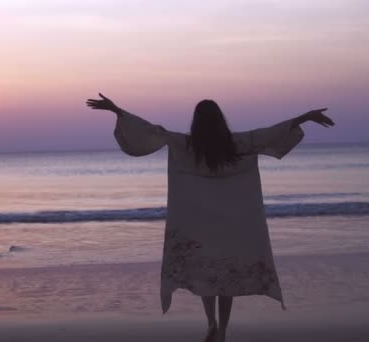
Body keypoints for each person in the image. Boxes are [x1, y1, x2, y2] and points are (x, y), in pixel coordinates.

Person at [86, 94, 334, 342]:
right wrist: (305, 117)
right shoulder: (237, 144)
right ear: (219, 120)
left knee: (206, 273)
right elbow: (268, 133)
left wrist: (117, 110)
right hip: (231, 223)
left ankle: (211, 324)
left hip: (200, 223)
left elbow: (153, 132)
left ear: (197, 122)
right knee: (226, 275)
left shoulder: (186, 145)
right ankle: (223, 329)